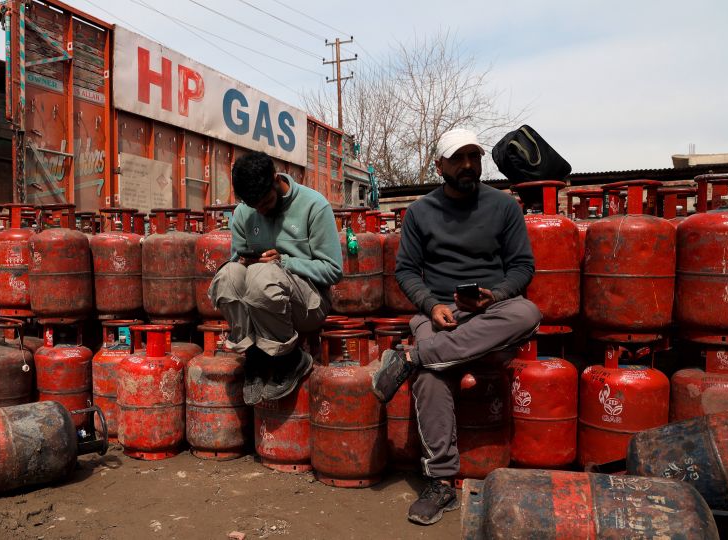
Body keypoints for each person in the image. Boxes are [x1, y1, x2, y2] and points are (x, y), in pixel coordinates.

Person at [371, 128, 541, 526]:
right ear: (439, 165)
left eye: (474, 157)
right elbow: (407, 271)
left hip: (491, 312)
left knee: (527, 313)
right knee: (432, 379)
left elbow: (522, 268)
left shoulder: (503, 207)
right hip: (440, 313)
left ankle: (411, 357)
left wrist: (494, 296)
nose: (468, 165)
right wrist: (432, 306)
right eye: (458, 158)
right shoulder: (421, 212)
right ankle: (441, 481)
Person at [209, 151, 343, 405]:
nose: (261, 210)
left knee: (263, 276)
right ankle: (254, 357)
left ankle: (290, 358)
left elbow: (333, 270)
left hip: (309, 304)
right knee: (227, 276)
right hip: (264, 296)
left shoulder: (314, 206)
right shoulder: (244, 213)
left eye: (266, 202)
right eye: (254, 206)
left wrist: (286, 261)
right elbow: (237, 265)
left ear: (275, 178)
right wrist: (243, 262)